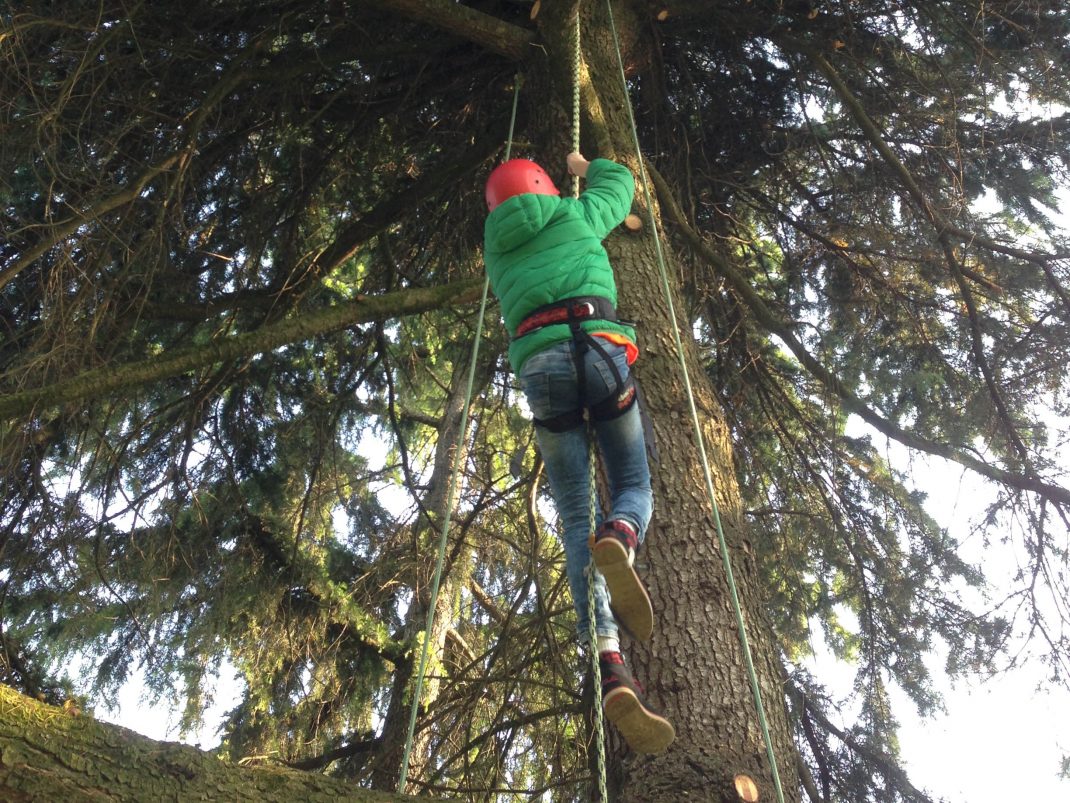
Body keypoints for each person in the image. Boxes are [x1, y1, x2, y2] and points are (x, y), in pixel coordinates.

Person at [483, 152, 675, 754]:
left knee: (572, 518)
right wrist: (588, 164)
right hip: (600, 348)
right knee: (633, 482)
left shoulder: (496, 251)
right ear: (544, 185)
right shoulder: (573, 213)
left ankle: (609, 661)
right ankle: (623, 532)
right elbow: (620, 190)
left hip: (541, 369)